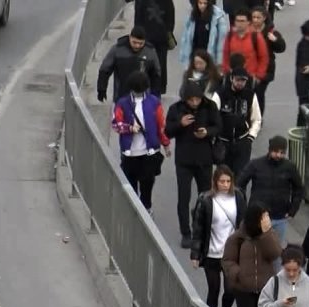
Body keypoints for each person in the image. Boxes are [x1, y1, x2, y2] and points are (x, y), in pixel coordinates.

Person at [222, 202, 283, 307]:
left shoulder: (269, 235)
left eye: (267, 217)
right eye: (264, 217)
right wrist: (238, 274)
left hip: (264, 289)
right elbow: (228, 261)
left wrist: (265, 233)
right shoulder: (238, 238)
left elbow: (275, 253)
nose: (267, 220)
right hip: (243, 289)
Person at [165, 83, 222, 248]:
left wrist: (207, 132)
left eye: (198, 99)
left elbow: (218, 126)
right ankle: (186, 233)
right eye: (191, 100)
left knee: (205, 197)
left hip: (204, 159)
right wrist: (180, 124)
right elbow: (168, 131)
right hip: (184, 160)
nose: (195, 102)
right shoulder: (176, 109)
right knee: (184, 197)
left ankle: (203, 230)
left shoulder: (210, 106)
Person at [191, 166, 247, 307]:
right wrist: (195, 255)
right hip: (211, 254)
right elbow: (198, 228)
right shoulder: (205, 199)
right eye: (222, 181)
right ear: (215, 182)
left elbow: (243, 225)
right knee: (213, 290)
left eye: (228, 181)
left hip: (231, 255)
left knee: (230, 290)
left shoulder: (238, 197)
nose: (225, 184)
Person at [110, 71, 170, 211]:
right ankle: (134, 213)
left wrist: (165, 144)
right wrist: (129, 128)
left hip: (148, 153)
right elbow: (115, 124)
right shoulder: (122, 103)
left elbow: (161, 125)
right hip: (130, 153)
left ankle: (146, 210)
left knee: (147, 186)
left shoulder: (154, 102)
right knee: (131, 188)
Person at [236, 135, 304, 251]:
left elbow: (299, 189)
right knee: (256, 250)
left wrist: (293, 209)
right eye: (276, 151)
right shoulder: (255, 164)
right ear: (270, 149)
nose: (278, 155)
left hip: (280, 216)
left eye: (282, 152)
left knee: (275, 251)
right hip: (258, 216)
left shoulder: (290, 167)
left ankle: (274, 270)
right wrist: (246, 207)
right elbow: (239, 185)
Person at [216, 55, 263, 177]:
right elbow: (212, 116)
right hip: (223, 143)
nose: (240, 83)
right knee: (223, 177)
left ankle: (239, 196)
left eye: (243, 80)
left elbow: (257, 119)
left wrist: (251, 137)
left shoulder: (250, 95)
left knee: (240, 177)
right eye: (237, 80)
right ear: (231, 79)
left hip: (242, 142)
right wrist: (215, 136)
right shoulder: (220, 95)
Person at [97, 26, 163, 103]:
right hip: (121, 96)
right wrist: (102, 89)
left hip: (144, 98)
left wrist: (155, 94)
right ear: (130, 38)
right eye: (134, 42)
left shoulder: (150, 52)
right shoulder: (117, 49)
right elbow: (105, 70)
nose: (137, 46)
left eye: (140, 43)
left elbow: (156, 74)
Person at [129, 0, 176, 94]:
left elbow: (138, 19)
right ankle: (154, 88)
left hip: (154, 38)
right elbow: (170, 18)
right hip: (154, 38)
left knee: (153, 63)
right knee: (156, 63)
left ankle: (152, 88)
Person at [249, 6, 286, 114]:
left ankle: (258, 118)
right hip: (249, 68)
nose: (255, 20)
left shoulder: (271, 32)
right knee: (249, 93)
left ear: (264, 18)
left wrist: (275, 41)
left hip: (265, 69)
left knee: (259, 93)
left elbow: (282, 48)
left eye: (258, 17)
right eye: (253, 17)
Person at [222, 10, 270, 80]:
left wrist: (259, 76)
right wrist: (226, 71)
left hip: (250, 77)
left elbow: (263, 57)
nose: (239, 23)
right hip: (233, 77)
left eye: (242, 21)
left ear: (248, 22)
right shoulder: (230, 35)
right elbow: (225, 55)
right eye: (237, 21)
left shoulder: (256, 36)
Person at [179, 0, 230, 66]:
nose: (202, 6)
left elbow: (221, 41)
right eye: (200, 3)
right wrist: (184, 56)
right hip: (195, 55)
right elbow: (186, 38)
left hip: (209, 56)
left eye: (205, 3)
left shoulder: (218, 17)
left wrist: (219, 61)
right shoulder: (191, 16)